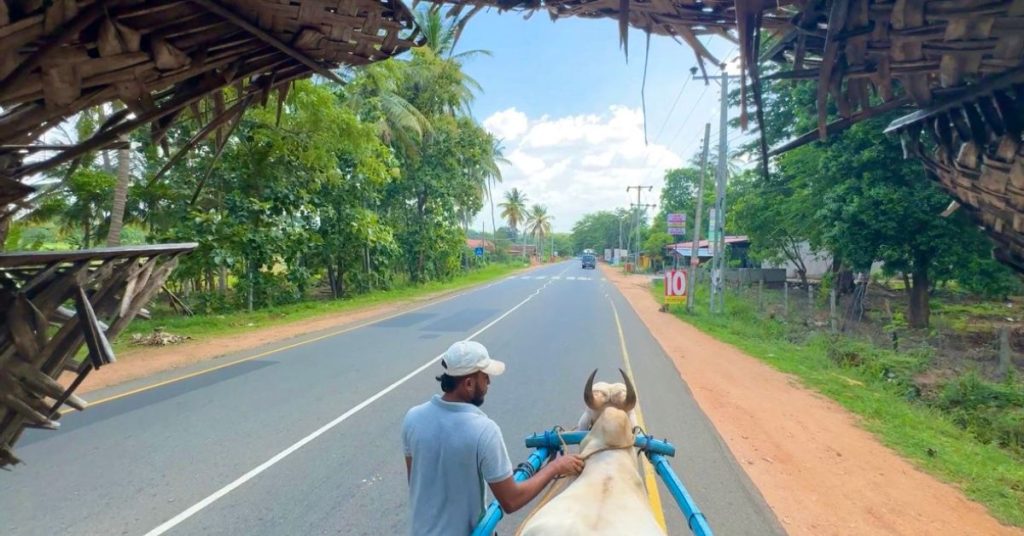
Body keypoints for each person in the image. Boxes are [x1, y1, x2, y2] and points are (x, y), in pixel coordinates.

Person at [402, 340, 584, 536]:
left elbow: (417, 480)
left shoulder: (413, 417)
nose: (489, 381)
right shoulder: (483, 430)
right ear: (469, 383)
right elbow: (511, 500)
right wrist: (555, 467)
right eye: (485, 376)